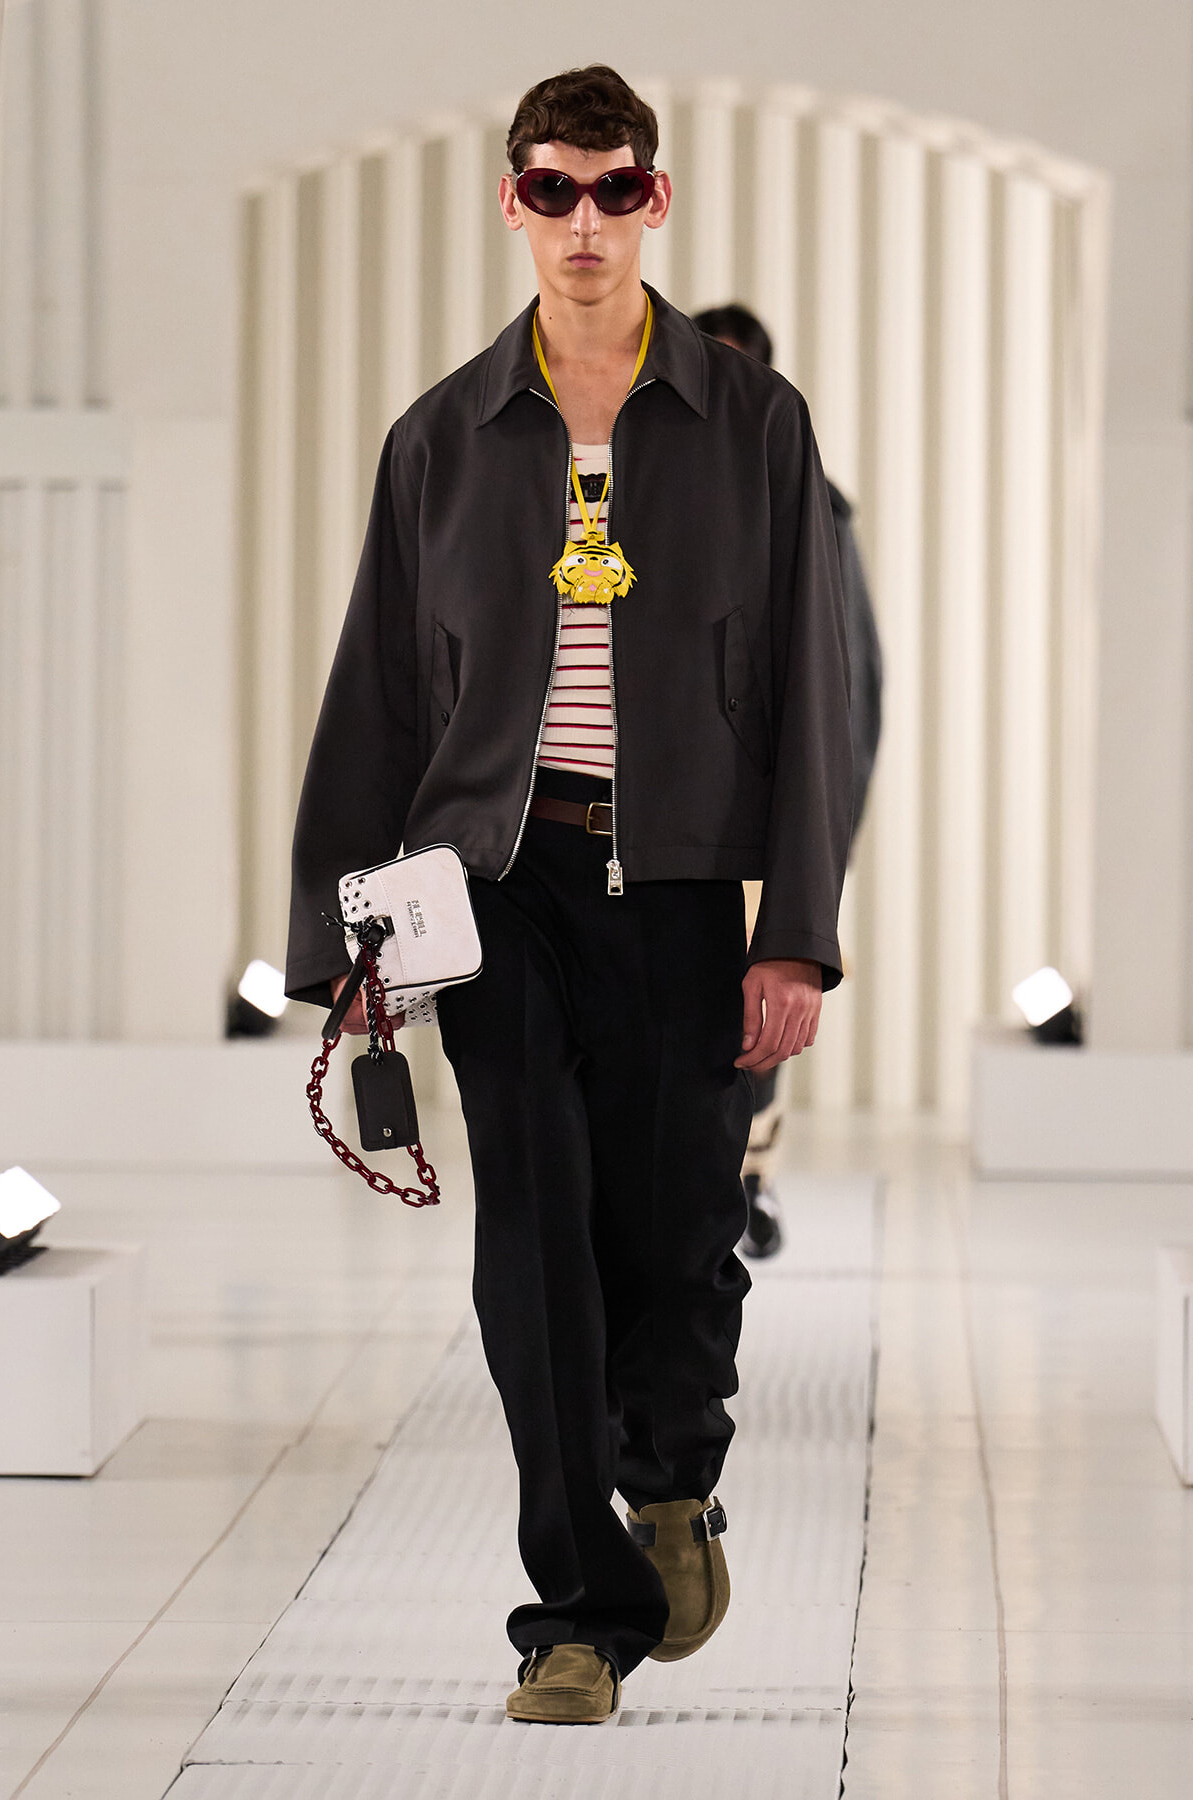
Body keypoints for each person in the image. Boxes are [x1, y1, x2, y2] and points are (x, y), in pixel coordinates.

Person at [286, 66, 852, 1725]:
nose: (585, 222)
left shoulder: (751, 423)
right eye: (553, 191)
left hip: (679, 882)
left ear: (655, 201)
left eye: (614, 191)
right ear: (514, 205)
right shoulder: (446, 437)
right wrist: (346, 946)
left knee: (676, 1233)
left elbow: (814, 690)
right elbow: (380, 696)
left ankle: (670, 1471)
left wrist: (798, 932)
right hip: (497, 884)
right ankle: (575, 1612)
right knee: (530, 1235)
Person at [693, 303, 883, 1260]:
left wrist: (820, 833)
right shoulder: (638, 496)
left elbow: (849, 687)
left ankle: (751, 1182)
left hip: (765, 823)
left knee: (758, 1015)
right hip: (665, 826)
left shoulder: (814, 506)